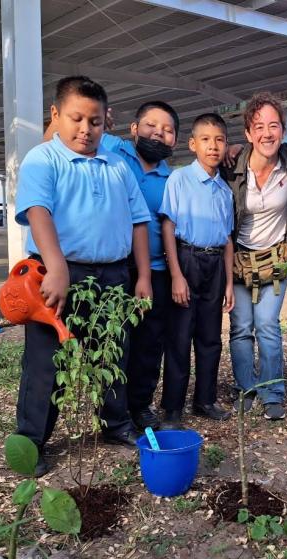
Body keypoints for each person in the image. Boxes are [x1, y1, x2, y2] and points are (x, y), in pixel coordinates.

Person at [14, 76, 152, 476]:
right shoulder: (44, 159)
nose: (85, 129)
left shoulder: (117, 167)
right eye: (76, 118)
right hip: (59, 273)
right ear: (56, 115)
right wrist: (56, 268)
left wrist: (142, 276)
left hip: (113, 274)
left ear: (105, 122)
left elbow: (140, 222)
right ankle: (32, 440)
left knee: (112, 350)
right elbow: (38, 211)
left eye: (95, 121)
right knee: (47, 360)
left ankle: (115, 424)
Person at [221, 92, 287, 421]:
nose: (267, 133)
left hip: (276, 257)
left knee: (267, 325)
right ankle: (246, 390)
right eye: (258, 126)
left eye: (273, 125)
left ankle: (272, 391)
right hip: (238, 259)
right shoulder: (232, 164)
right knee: (241, 326)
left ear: (283, 130)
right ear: (248, 133)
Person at [98, 102, 178, 432]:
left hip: (155, 270)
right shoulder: (112, 149)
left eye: (168, 129)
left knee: (149, 342)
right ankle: (110, 412)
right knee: (114, 341)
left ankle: (140, 406)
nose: (158, 133)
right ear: (133, 129)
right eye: (150, 125)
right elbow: (58, 136)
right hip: (116, 266)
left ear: (175, 141)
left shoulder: (171, 180)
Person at [158, 113, 235, 428]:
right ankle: (172, 408)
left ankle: (205, 399)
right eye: (206, 139)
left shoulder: (225, 190)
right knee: (179, 336)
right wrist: (176, 274)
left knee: (210, 337)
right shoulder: (179, 179)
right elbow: (168, 226)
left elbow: (228, 239)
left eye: (219, 140)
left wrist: (229, 283)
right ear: (193, 144)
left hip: (215, 264)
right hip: (187, 260)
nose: (213, 146)